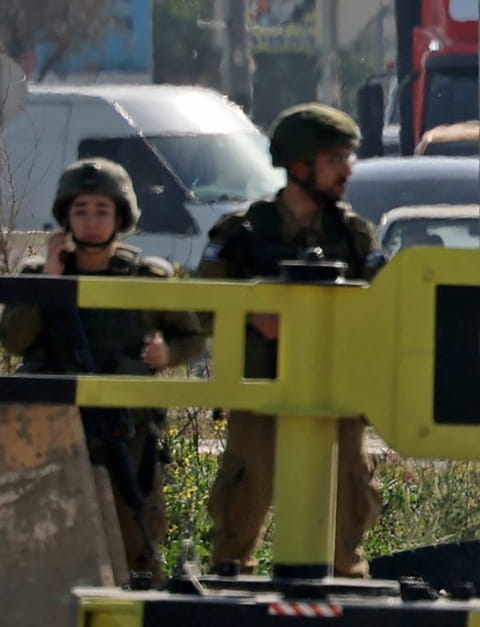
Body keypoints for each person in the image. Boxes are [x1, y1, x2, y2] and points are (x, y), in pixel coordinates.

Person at [199, 104, 384, 578]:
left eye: (348, 158)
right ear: (300, 165)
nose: (348, 170)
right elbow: (200, 305)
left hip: (335, 391)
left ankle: (347, 602)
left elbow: (384, 307)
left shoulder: (354, 235)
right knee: (243, 503)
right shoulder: (242, 233)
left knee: (347, 502)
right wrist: (251, 312)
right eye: (335, 159)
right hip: (260, 388)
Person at [0, 159, 206, 577]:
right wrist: (52, 280)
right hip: (53, 429)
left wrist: (166, 354)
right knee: (44, 541)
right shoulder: (41, 276)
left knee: (136, 539)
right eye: (81, 211)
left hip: (125, 431)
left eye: (101, 211)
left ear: (120, 217)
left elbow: (193, 336)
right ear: (65, 217)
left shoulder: (145, 278)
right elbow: (15, 340)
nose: (91, 222)